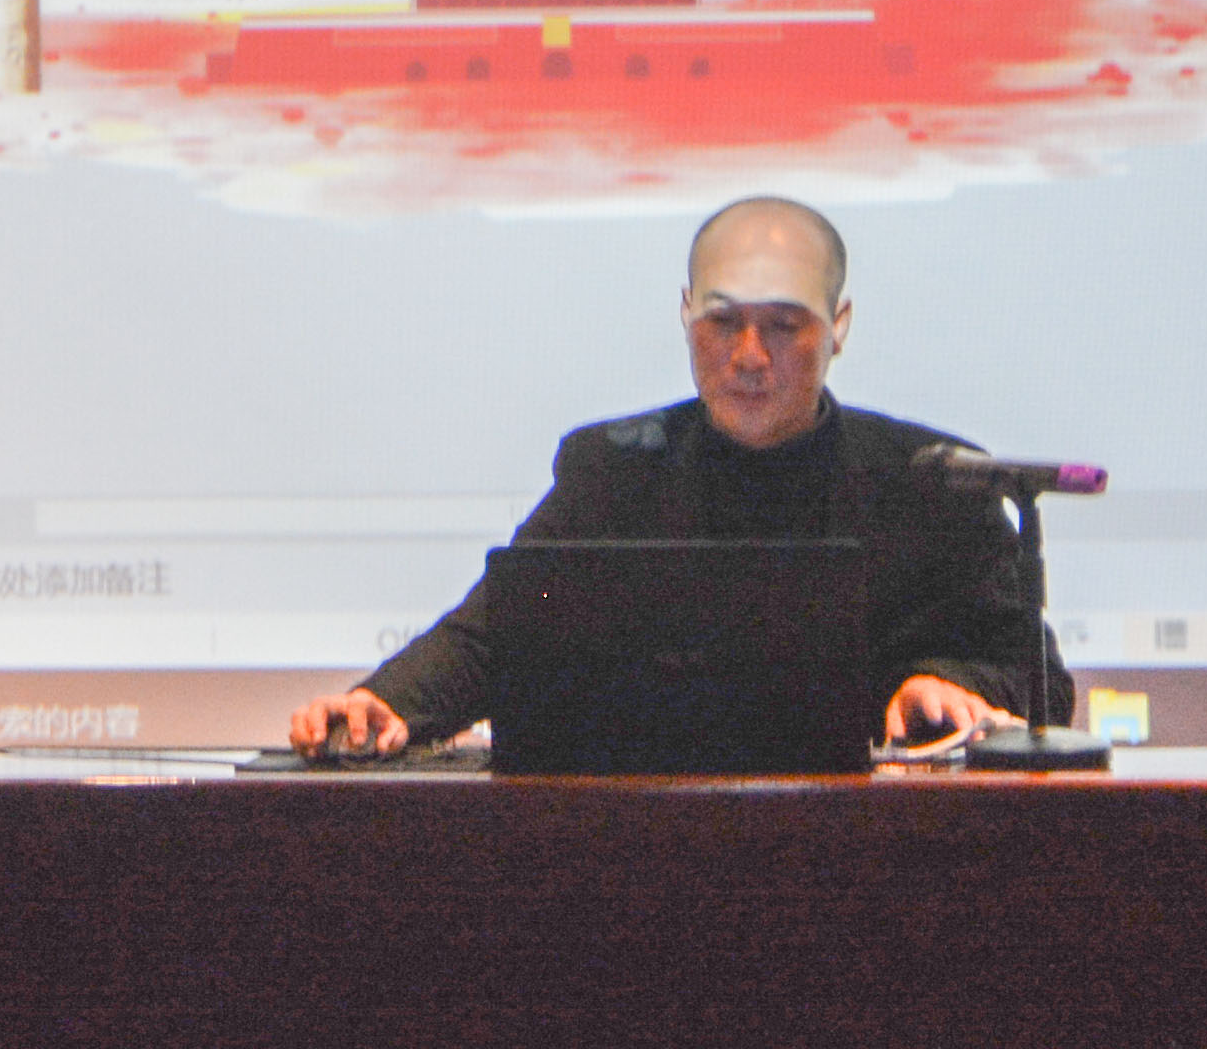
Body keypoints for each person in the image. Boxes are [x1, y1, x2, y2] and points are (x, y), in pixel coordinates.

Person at [287, 194, 1024, 755]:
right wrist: (384, 703)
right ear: (684, 315)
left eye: (783, 324)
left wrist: (949, 685)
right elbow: (494, 637)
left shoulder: (935, 483)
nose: (749, 355)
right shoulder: (613, 471)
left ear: (839, 326)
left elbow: (1035, 675)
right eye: (722, 321)